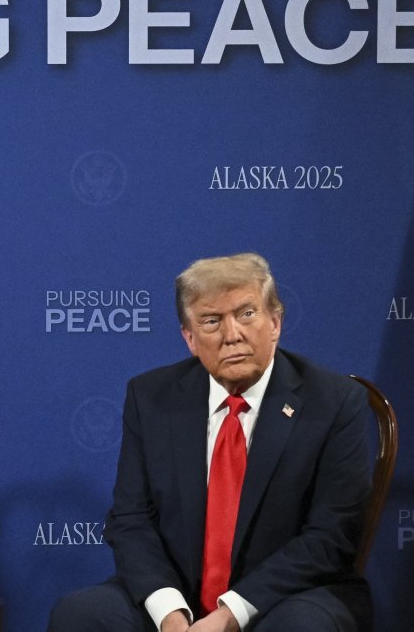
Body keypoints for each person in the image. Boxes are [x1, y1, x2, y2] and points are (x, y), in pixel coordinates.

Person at [49, 253, 373, 632]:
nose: (232, 334)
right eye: (211, 321)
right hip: (180, 594)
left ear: (276, 323)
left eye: (247, 314)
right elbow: (130, 519)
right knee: (80, 615)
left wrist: (229, 615)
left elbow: (332, 536)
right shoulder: (151, 397)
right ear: (189, 337)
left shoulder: (333, 401)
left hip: (288, 597)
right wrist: (170, 614)